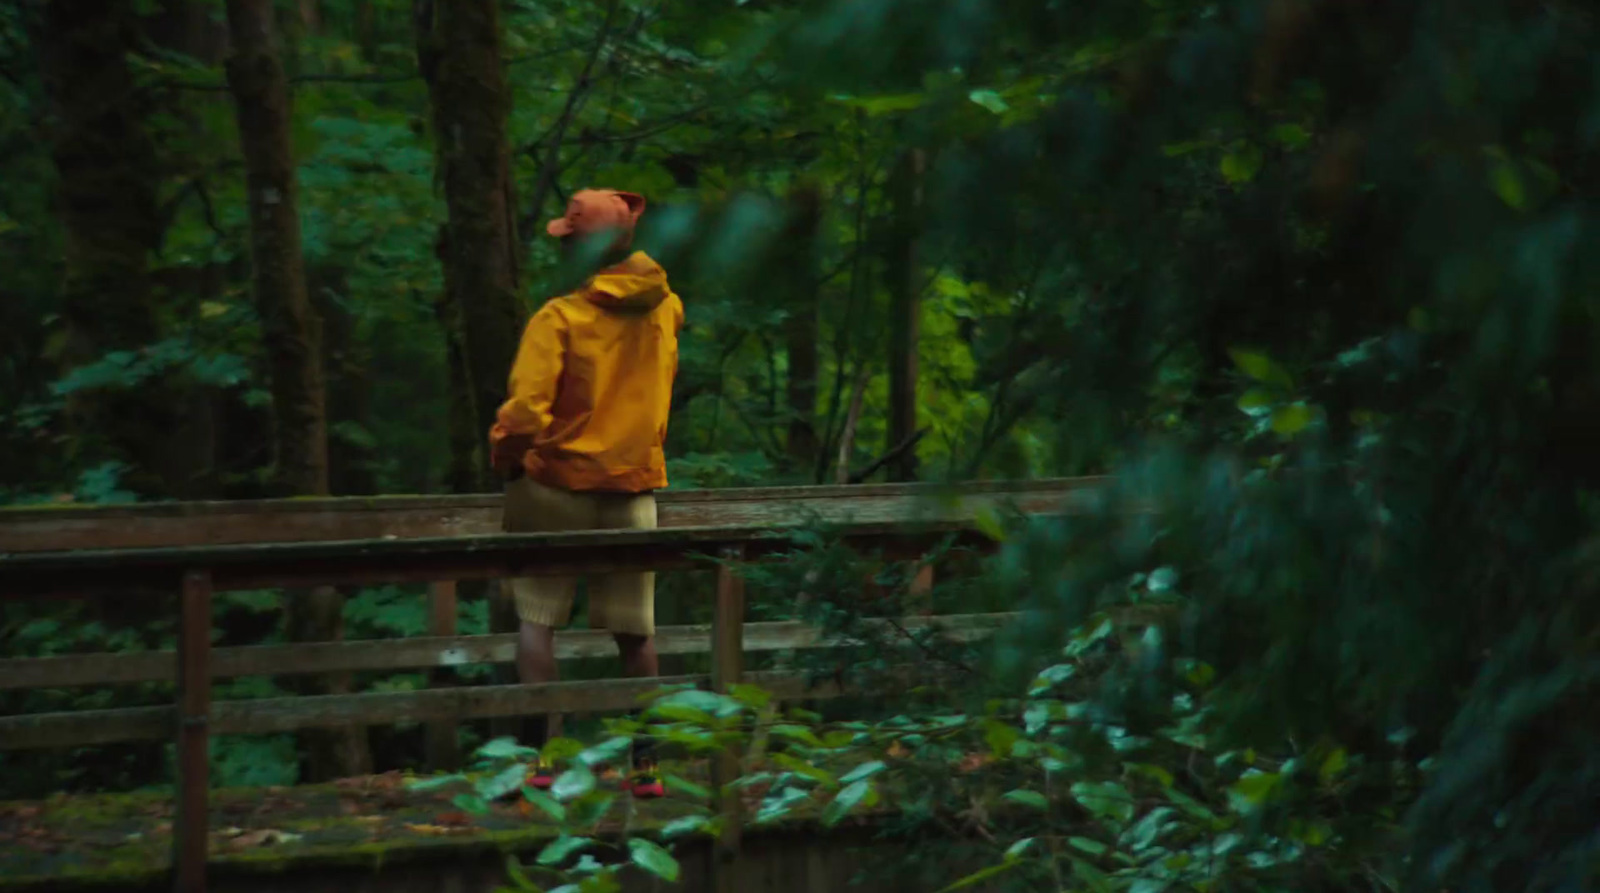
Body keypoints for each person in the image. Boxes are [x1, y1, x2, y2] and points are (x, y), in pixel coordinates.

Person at [489, 188, 683, 800]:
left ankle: (541, 761)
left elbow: (524, 413)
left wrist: (506, 457)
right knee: (636, 633)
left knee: (536, 620)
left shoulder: (559, 318)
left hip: (555, 486)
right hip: (632, 489)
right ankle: (646, 764)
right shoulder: (666, 308)